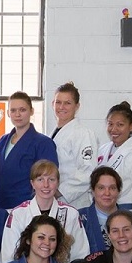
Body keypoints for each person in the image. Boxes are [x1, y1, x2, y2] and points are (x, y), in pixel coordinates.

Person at [0, 160, 89, 263]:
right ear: (32, 183)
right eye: (40, 179)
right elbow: (8, 257)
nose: (46, 185)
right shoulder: (18, 214)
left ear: (58, 183)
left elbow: (80, 254)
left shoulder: (71, 214)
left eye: (51, 179)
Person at [0, 92, 58, 211]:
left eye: (22, 110)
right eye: (13, 110)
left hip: (28, 208)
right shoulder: (3, 140)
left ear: (31, 111)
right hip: (1, 206)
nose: (17, 114)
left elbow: (48, 179)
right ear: (8, 113)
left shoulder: (43, 143)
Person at [80, 166, 132, 257]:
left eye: (112, 188)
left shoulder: (130, 218)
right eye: (101, 188)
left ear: (119, 192)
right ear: (92, 190)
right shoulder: (80, 218)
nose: (107, 193)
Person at [96, 101, 132, 225]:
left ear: (131, 126)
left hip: (127, 214)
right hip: (102, 213)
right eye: (110, 124)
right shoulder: (103, 150)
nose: (114, 129)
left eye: (120, 125)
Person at [50, 82, 99, 210]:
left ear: (77, 106)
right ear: (52, 104)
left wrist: (59, 192)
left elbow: (88, 171)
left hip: (76, 202)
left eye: (67, 103)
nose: (62, 107)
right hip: (53, 199)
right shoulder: (52, 134)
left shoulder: (83, 134)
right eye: (58, 102)